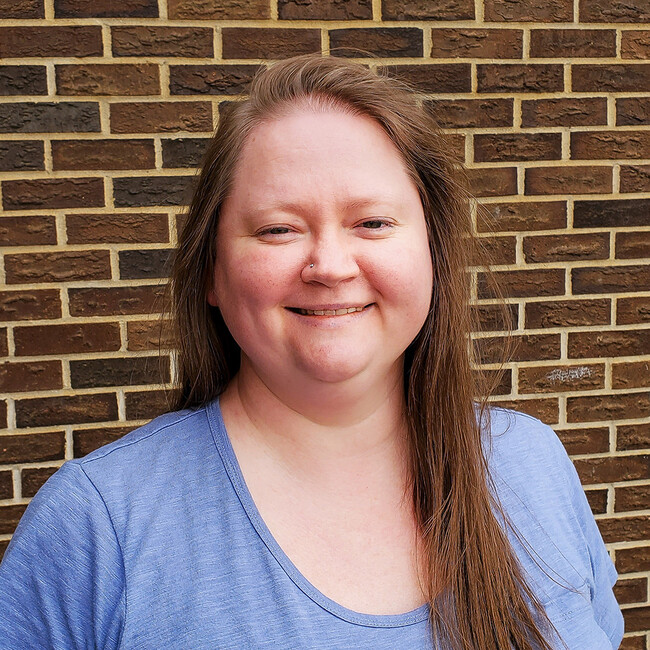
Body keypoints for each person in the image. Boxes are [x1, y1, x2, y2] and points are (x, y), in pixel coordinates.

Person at [0, 55, 623, 649]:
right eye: (278, 229)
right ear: (212, 272)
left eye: (372, 222)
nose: (329, 265)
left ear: (432, 253)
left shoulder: (531, 466)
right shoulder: (97, 529)